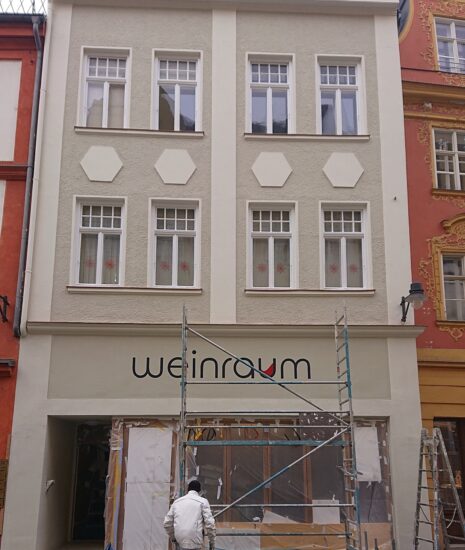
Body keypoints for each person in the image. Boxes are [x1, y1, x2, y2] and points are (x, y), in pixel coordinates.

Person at [164, 480, 216, 550]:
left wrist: (174, 537)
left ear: (188, 489)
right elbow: (210, 524)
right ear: (199, 491)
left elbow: (167, 523)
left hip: (180, 539)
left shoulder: (177, 502)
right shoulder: (203, 502)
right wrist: (212, 542)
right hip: (195, 540)